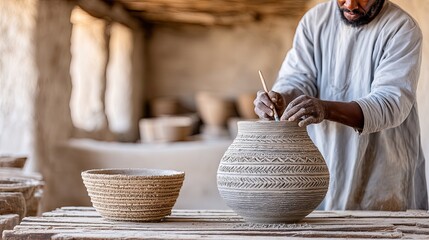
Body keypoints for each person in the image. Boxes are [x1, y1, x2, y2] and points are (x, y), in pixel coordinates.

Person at [254, 0, 428, 210]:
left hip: (384, 175)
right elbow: (298, 78)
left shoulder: (401, 28)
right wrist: (281, 98)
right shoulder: (315, 21)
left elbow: (389, 104)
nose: (350, 5)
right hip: (324, 167)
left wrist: (325, 109)